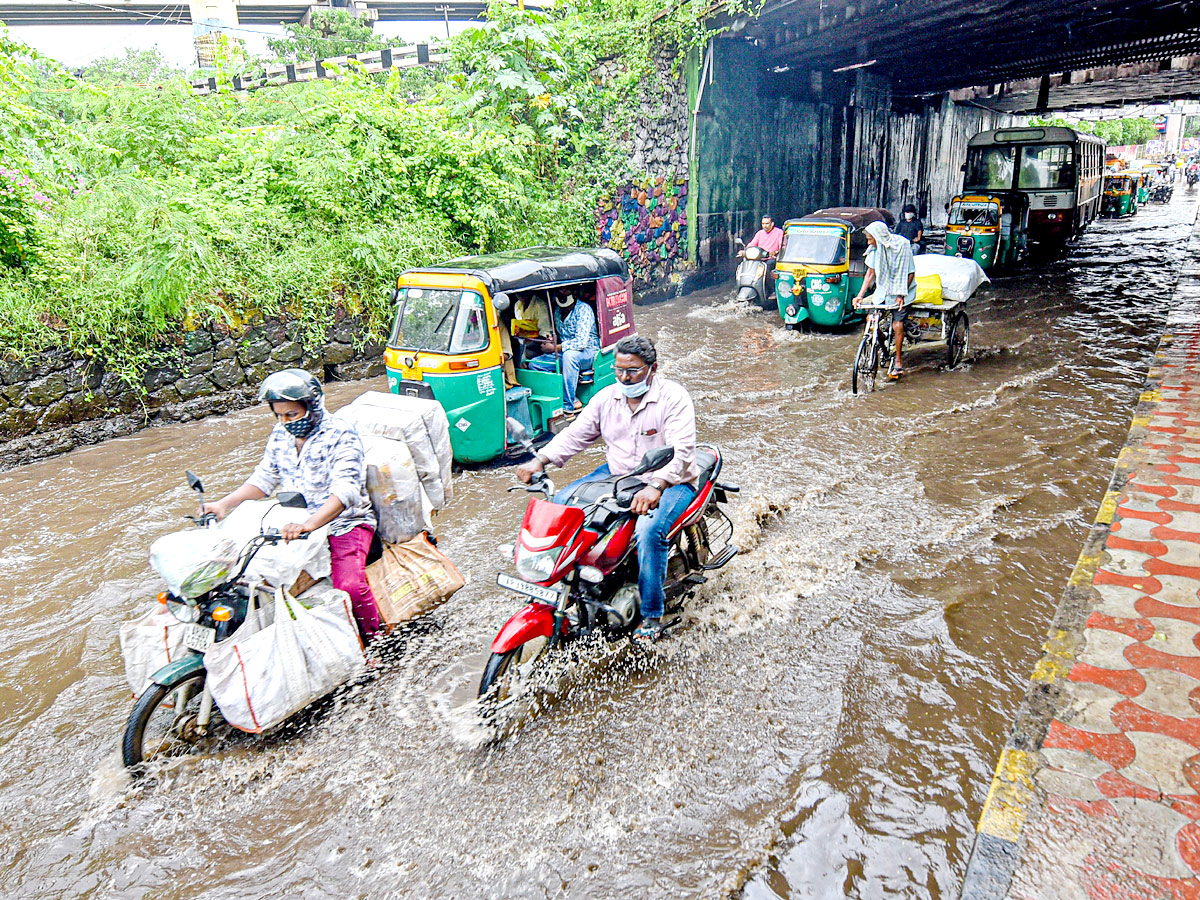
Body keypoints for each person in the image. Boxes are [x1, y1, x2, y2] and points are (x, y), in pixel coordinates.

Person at [516, 335, 698, 642]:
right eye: (619, 370)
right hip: (621, 473)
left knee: (649, 531)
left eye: (633, 371)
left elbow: (682, 451)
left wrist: (656, 485)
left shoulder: (673, 397)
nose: (625, 377)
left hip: (670, 480)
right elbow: (576, 434)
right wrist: (541, 459)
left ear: (652, 369)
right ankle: (566, 589)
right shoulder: (606, 398)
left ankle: (652, 615)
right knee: (563, 506)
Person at [202, 368, 383, 640]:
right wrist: (224, 504)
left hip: (344, 523)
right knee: (241, 575)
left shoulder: (341, 434)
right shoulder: (280, 434)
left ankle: (376, 641)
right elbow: (264, 479)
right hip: (293, 522)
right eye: (279, 415)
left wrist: (309, 524)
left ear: (313, 406)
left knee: (349, 585)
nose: (286, 421)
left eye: (292, 414)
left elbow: (345, 491)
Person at [852, 220, 916, 380]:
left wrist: (901, 294)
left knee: (897, 324)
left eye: (870, 239)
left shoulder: (903, 246)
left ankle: (899, 361)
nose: (868, 242)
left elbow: (910, 273)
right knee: (870, 319)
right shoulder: (874, 249)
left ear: (878, 237)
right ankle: (881, 342)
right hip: (883, 290)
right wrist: (860, 295)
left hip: (902, 291)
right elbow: (870, 274)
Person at [526, 288, 601, 416]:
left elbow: (581, 342)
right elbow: (560, 336)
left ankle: (568, 405)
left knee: (569, 356)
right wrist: (551, 341)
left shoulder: (583, 309)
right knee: (534, 364)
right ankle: (563, 395)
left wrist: (556, 348)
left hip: (587, 352)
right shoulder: (558, 311)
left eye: (565, 291)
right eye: (559, 292)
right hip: (565, 352)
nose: (562, 294)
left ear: (574, 293)